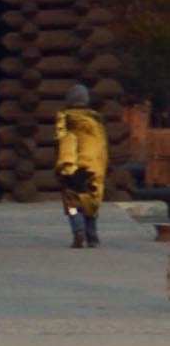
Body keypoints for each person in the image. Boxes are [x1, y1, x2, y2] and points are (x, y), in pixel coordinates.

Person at [56, 83, 108, 248]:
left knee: (72, 203)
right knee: (92, 203)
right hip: (96, 167)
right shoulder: (96, 120)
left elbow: (66, 141)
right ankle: (92, 237)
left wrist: (66, 167)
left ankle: (78, 230)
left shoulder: (66, 118)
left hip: (75, 166)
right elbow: (102, 146)